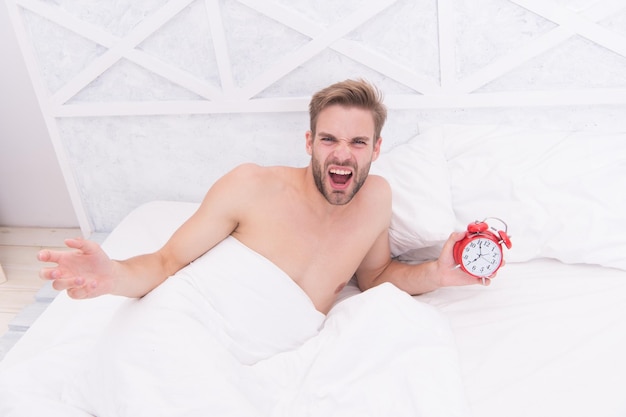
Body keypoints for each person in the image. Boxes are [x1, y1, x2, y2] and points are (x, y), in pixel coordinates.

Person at [38, 79, 491, 315]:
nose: (343, 155)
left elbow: (375, 279)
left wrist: (436, 273)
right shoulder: (252, 186)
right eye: (330, 139)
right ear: (309, 142)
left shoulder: (376, 199)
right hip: (199, 321)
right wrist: (111, 276)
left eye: (357, 143)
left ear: (376, 149)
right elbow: (165, 262)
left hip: (275, 358)